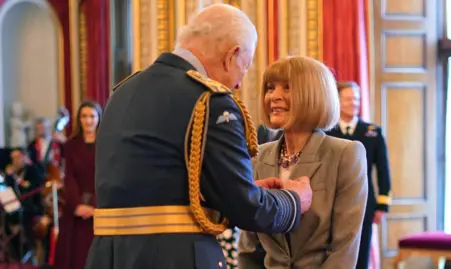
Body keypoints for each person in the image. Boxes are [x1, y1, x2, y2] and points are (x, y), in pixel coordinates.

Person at [85, 4, 312, 269]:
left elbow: (155, 185)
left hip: (106, 256)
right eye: (244, 67)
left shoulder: (121, 93)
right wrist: (294, 201)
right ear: (232, 55)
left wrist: (233, 191)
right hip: (172, 257)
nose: (239, 83)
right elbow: (245, 208)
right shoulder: (209, 100)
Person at [238, 56, 368, 268]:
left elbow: (344, 249)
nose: (274, 96)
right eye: (270, 88)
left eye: (287, 88)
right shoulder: (257, 156)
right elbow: (249, 248)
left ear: (315, 95)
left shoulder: (346, 154)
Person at [325, 81, 392, 269]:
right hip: (332, 201)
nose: (353, 103)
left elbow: (383, 170)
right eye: (348, 99)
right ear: (338, 101)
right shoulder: (327, 132)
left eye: (356, 98)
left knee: (361, 252)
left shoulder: (372, 132)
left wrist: (382, 205)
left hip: (364, 202)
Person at [53, 101, 102, 269]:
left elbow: (105, 176)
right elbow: (69, 178)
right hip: (75, 208)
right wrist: (76, 205)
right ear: (79, 119)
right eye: (84, 116)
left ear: (98, 118)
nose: (88, 120)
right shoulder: (71, 145)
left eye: (92, 116)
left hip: (100, 208)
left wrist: (96, 205)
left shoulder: (107, 144)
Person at [4, 147, 44, 261]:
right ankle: (16, 252)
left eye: (17, 157)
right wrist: (8, 176)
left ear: (24, 157)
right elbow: (8, 189)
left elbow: (32, 188)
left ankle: (29, 249)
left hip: (33, 206)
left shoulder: (32, 170)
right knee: (5, 218)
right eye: (13, 158)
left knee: (24, 217)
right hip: (16, 207)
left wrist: (16, 178)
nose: (15, 161)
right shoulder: (13, 173)